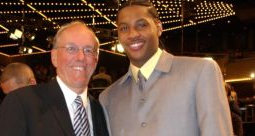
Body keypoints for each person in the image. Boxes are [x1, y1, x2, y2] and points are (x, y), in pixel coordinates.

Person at [99, 1, 233, 136]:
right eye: (124, 28)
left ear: (159, 27)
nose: (132, 34)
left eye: (141, 25)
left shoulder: (200, 72)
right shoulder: (108, 98)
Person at [0, 21, 109, 136]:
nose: (81, 57)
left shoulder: (100, 110)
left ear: (96, 59)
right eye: (71, 49)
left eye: (88, 50)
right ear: (54, 57)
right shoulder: (21, 103)